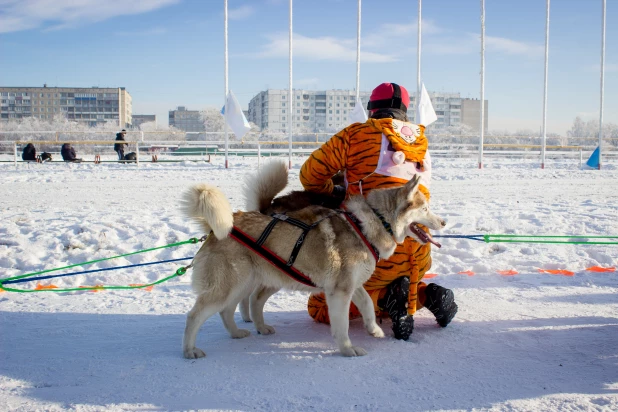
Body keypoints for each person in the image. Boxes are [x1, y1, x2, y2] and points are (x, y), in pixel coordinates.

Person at [300, 82, 458, 340]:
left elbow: (309, 175)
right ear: (404, 111)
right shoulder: (421, 140)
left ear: (372, 108)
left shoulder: (356, 134)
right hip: (416, 247)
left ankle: (385, 299)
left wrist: (335, 192)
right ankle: (424, 295)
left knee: (318, 307)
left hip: (371, 247)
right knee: (405, 281)